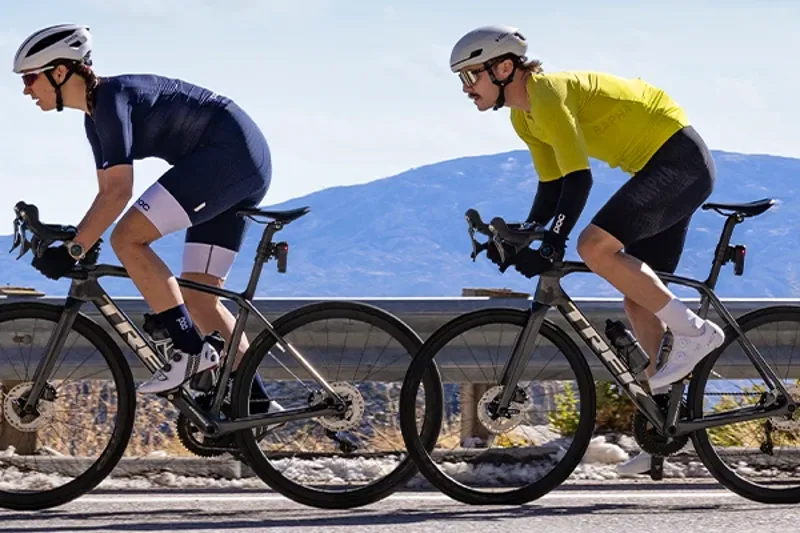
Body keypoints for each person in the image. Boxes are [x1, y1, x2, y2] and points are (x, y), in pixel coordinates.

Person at [449, 25, 724, 474]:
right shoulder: (524, 117)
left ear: (503, 68)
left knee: (593, 246)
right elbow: (552, 186)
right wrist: (526, 238)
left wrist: (554, 241)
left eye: (471, 76)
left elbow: (580, 181)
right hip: (660, 166)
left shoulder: (547, 95)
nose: (465, 88)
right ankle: (663, 434)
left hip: (679, 160)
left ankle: (695, 331)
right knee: (637, 301)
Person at [13, 23, 278, 411]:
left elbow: (120, 192)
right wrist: (77, 240)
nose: (25, 90)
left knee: (127, 239)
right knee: (199, 296)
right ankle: (255, 403)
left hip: (227, 156)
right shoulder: (95, 116)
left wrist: (75, 249)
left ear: (59, 72)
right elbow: (107, 193)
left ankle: (189, 351)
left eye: (30, 78)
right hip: (237, 162)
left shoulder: (110, 100)